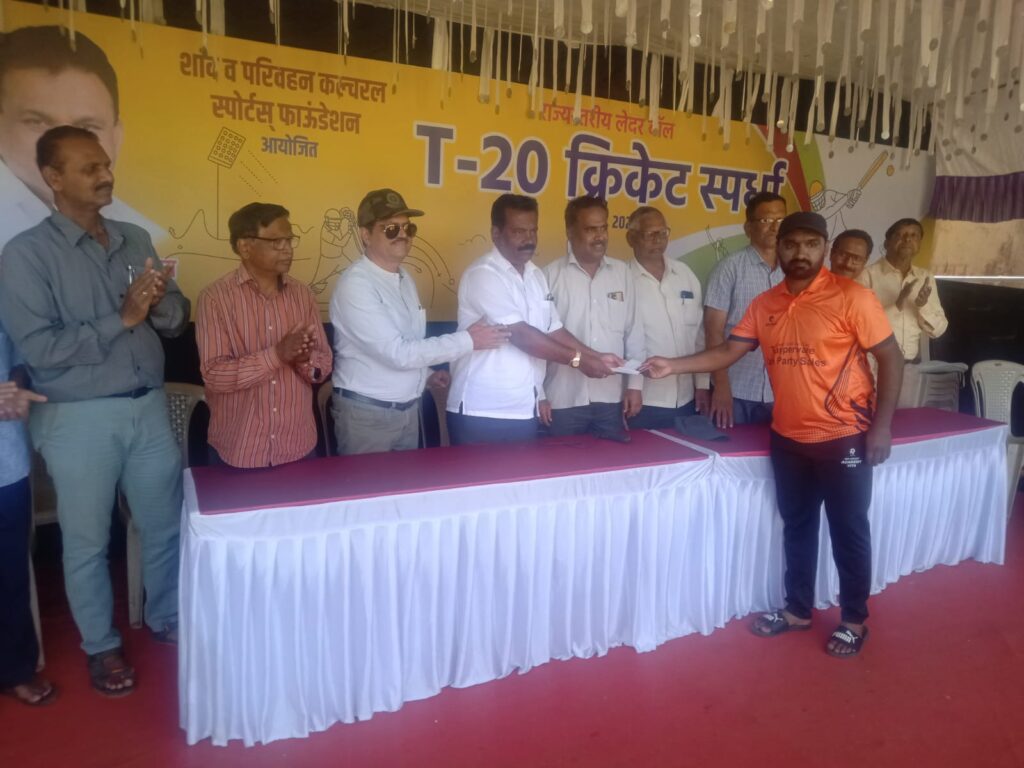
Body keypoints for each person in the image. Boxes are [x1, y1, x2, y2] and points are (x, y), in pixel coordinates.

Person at [643, 212, 903, 658]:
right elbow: (730, 350)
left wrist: (882, 426)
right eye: (791, 244)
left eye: (811, 244)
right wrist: (673, 365)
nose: (800, 253)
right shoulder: (765, 304)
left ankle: (854, 620)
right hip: (788, 438)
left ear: (824, 248)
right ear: (778, 247)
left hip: (844, 436)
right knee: (797, 526)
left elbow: (892, 358)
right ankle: (798, 610)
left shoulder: (852, 297)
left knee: (848, 529)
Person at [0, 125, 188, 695]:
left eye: (105, 165)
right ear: (53, 178)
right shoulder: (25, 255)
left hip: (147, 407)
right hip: (77, 418)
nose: (105, 176)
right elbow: (41, 349)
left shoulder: (134, 237)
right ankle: (101, 647)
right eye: (89, 168)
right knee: (87, 541)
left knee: (163, 525)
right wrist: (122, 318)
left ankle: (168, 616)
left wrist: (161, 306)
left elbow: (173, 317)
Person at [329, 188, 509, 455]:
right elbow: (398, 353)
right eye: (391, 229)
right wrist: (469, 340)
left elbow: (406, 343)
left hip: (407, 411)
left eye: (408, 228)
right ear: (365, 235)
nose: (402, 234)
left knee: (404, 484)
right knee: (371, 485)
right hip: (368, 417)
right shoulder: (356, 285)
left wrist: (426, 375)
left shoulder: (404, 279)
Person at [447, 194, 623, 445]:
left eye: (533, 231)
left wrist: (596, 356)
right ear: (496, 234)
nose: (528, 239)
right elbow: (520, 335)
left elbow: (554, 330)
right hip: (482, 410)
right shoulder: (483, 274)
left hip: (523, 409)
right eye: (519, 232)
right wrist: (579, 360)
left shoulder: (535, 276)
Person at [0, 25, 161, 250]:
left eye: (87, 128)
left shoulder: (147, 236)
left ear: (116, 138)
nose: (67, 147)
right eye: (37, 122)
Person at [196, 203, 332, 468]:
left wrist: (305, 360)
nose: (287, 249)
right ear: (245, 246)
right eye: (276, 241)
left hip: (298, 446)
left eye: (290, 240)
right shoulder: (214, 298)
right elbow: (214, 375)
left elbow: (323, 366)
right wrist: (277, 355)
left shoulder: (302, 295)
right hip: (240, 449)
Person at [541, 196, 644, 441]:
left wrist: (635, 386)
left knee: (610, 462)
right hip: (562, 398)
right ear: (570, 232)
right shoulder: (548, 276)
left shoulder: (622, 273)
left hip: (610, 398)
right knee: (562, 464)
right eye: (590, 229)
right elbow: (539, 339)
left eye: (603, 228)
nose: (600, 236)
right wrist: (539, 395)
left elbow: (634, 333)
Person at [0, 321, 54, 706]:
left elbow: (19, 358)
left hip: (7, 463)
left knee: (11, 573)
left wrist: (16, 387)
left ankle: (15, 670)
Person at [703, 191, 787, 428]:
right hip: (736, 390)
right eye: (766, 220)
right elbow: (713, 333)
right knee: (732, 449)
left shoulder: (793, 271)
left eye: (781, 220)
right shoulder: (729, 268)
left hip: (780, 392)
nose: (775, 227)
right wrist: (721, 386)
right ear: (748, 228)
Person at [625, 205, 709, 429]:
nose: (658, 240)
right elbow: (622, 342)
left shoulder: (685, 274)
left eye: (663, 233)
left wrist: (702, 384)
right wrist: (634, 387)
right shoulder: (622, 280)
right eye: (650, 234)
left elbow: (699, 335)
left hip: (688, 398)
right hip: (643, 400)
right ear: (631, 238)